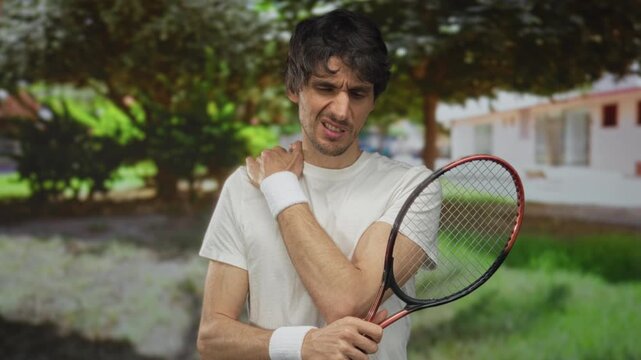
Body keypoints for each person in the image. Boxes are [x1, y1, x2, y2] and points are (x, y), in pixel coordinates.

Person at [197, 8, 435, 360]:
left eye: (357, 94)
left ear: (373, 101)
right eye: (325, 88)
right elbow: (212, 338)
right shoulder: (244, 186)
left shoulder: (413, 187)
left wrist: (280, 187)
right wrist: (304, 345)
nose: (341, 110)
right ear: (295, 88)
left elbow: (347, 301)